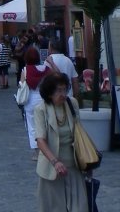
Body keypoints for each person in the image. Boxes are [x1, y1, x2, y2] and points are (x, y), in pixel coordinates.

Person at [34, 71, 88, 212]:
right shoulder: (41, 109)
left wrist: (87, 160)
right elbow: (40, 140)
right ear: (49, 92)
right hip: (51, 166)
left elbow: (79, 132)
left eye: (65, 89)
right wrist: (55, 162)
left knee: (80, 207)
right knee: (53, 208)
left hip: (74, 164)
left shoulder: (72, 104)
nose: (63, 94)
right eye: (59, 90)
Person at [23, 45, 50, 154]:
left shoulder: (26, 70)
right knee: (45, 124)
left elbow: (21, 85)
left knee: (32, 126)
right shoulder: (46, 69)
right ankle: (47, 148)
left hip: (31, 100)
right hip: (44, 98)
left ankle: (37, 151)